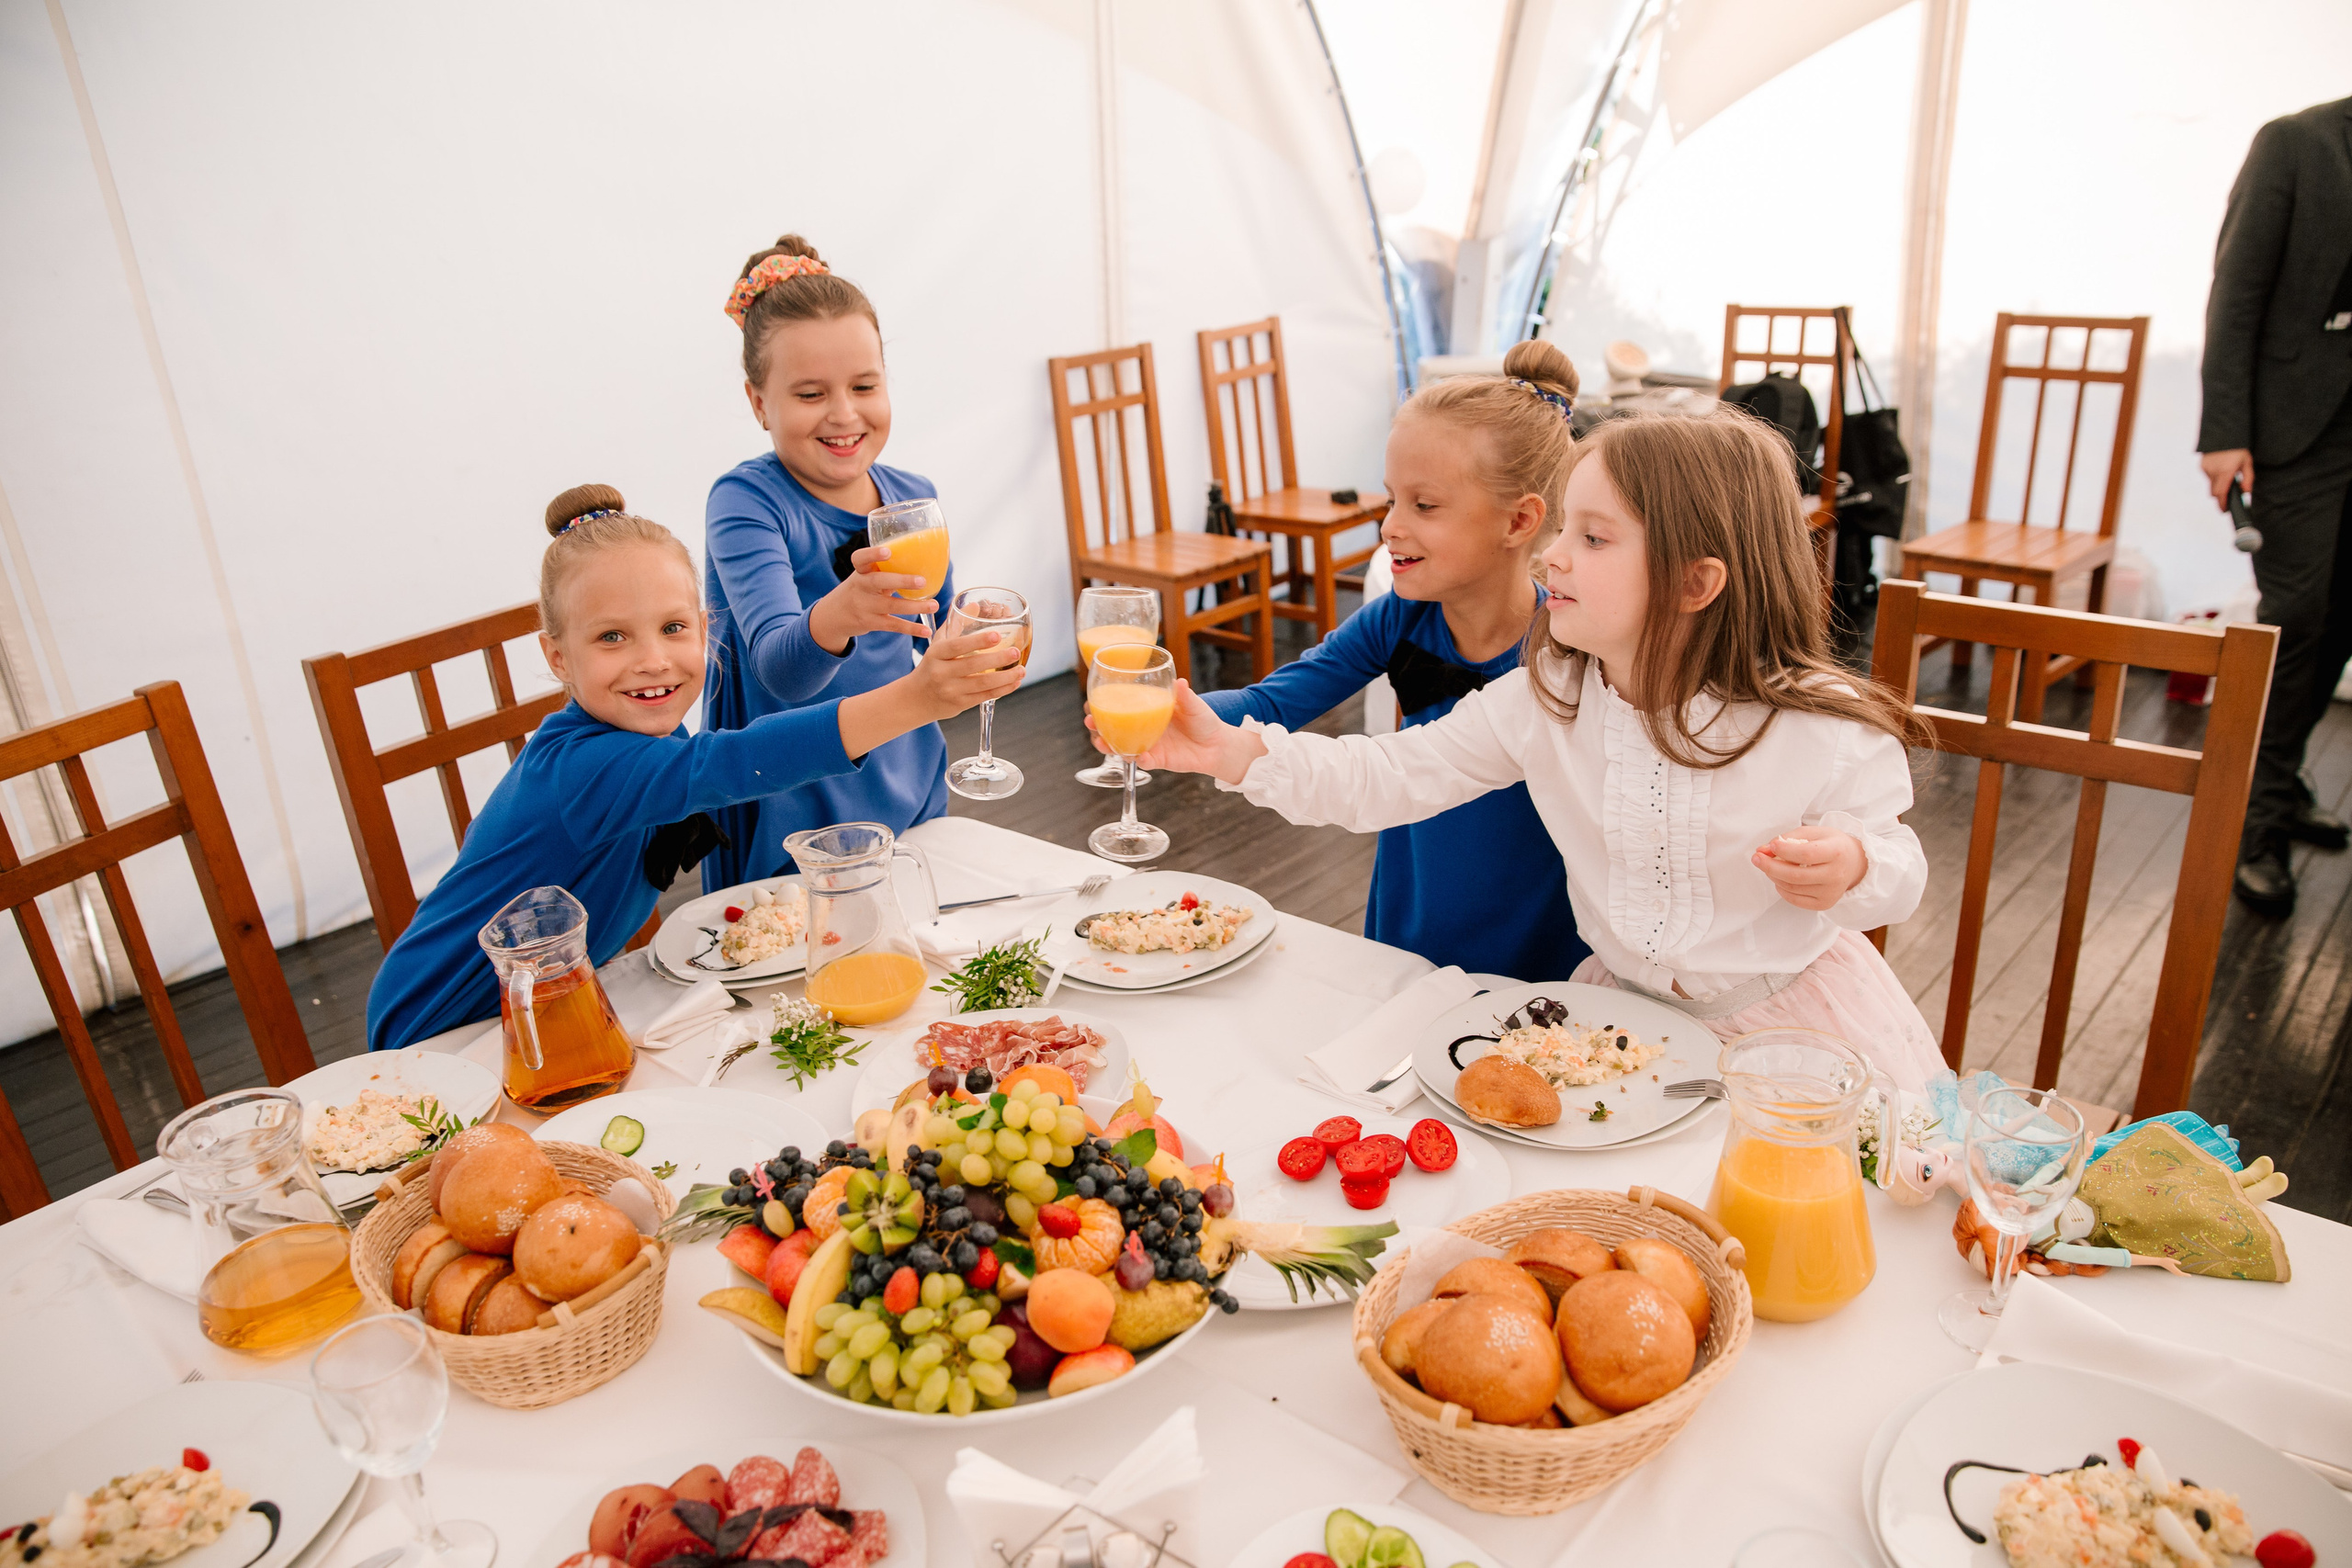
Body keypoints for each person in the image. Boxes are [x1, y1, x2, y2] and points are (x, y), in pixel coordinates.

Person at [1104, 407, 1947, 1089]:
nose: (1554, 555)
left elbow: (1899, 866)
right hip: (1619, 1026)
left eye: (1593, 538)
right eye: (1564, 529)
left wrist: (1854, 865)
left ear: (1696, 582)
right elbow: (1390, 775)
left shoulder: (1820, 726)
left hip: (1787, 1038)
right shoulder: (1547, 698)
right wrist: (1230, 751)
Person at [365, 484, 1020, 1050]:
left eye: (674, 628)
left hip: (552, 1009)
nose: (652, 659)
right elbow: (737, 761)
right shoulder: (581, 767)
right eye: (612, 637)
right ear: (557, 657)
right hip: (443, 1033)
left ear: (706, 629)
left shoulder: (649, 733)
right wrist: (917, 698)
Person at [1197, 341, 1591, 981]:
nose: (1389, 526)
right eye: (1391, 500)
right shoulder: (1399, 618)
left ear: (1519, 521)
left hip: (1538, 949)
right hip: (1411, 923)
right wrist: (1170, 707)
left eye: (1423, 505)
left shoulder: (1575, 649)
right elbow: (1271, 703)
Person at [702, 233, 954, 887]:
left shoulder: (912, 499)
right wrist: (842, 611)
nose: (844, 414)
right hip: (790, 816)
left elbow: (934, 632)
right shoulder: (746, 502)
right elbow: (781, 671)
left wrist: (975, 639)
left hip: (910, 790)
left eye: (865, 385)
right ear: (759, 403)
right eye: (811, 394)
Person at [2198, 96, 2352, 917]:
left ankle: (2284, 786)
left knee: (2342, 617)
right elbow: (2237, 292)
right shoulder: (2297, 143)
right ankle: (2252, 825)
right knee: (2296, 616)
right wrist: (2224, 432)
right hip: (2297, 429)